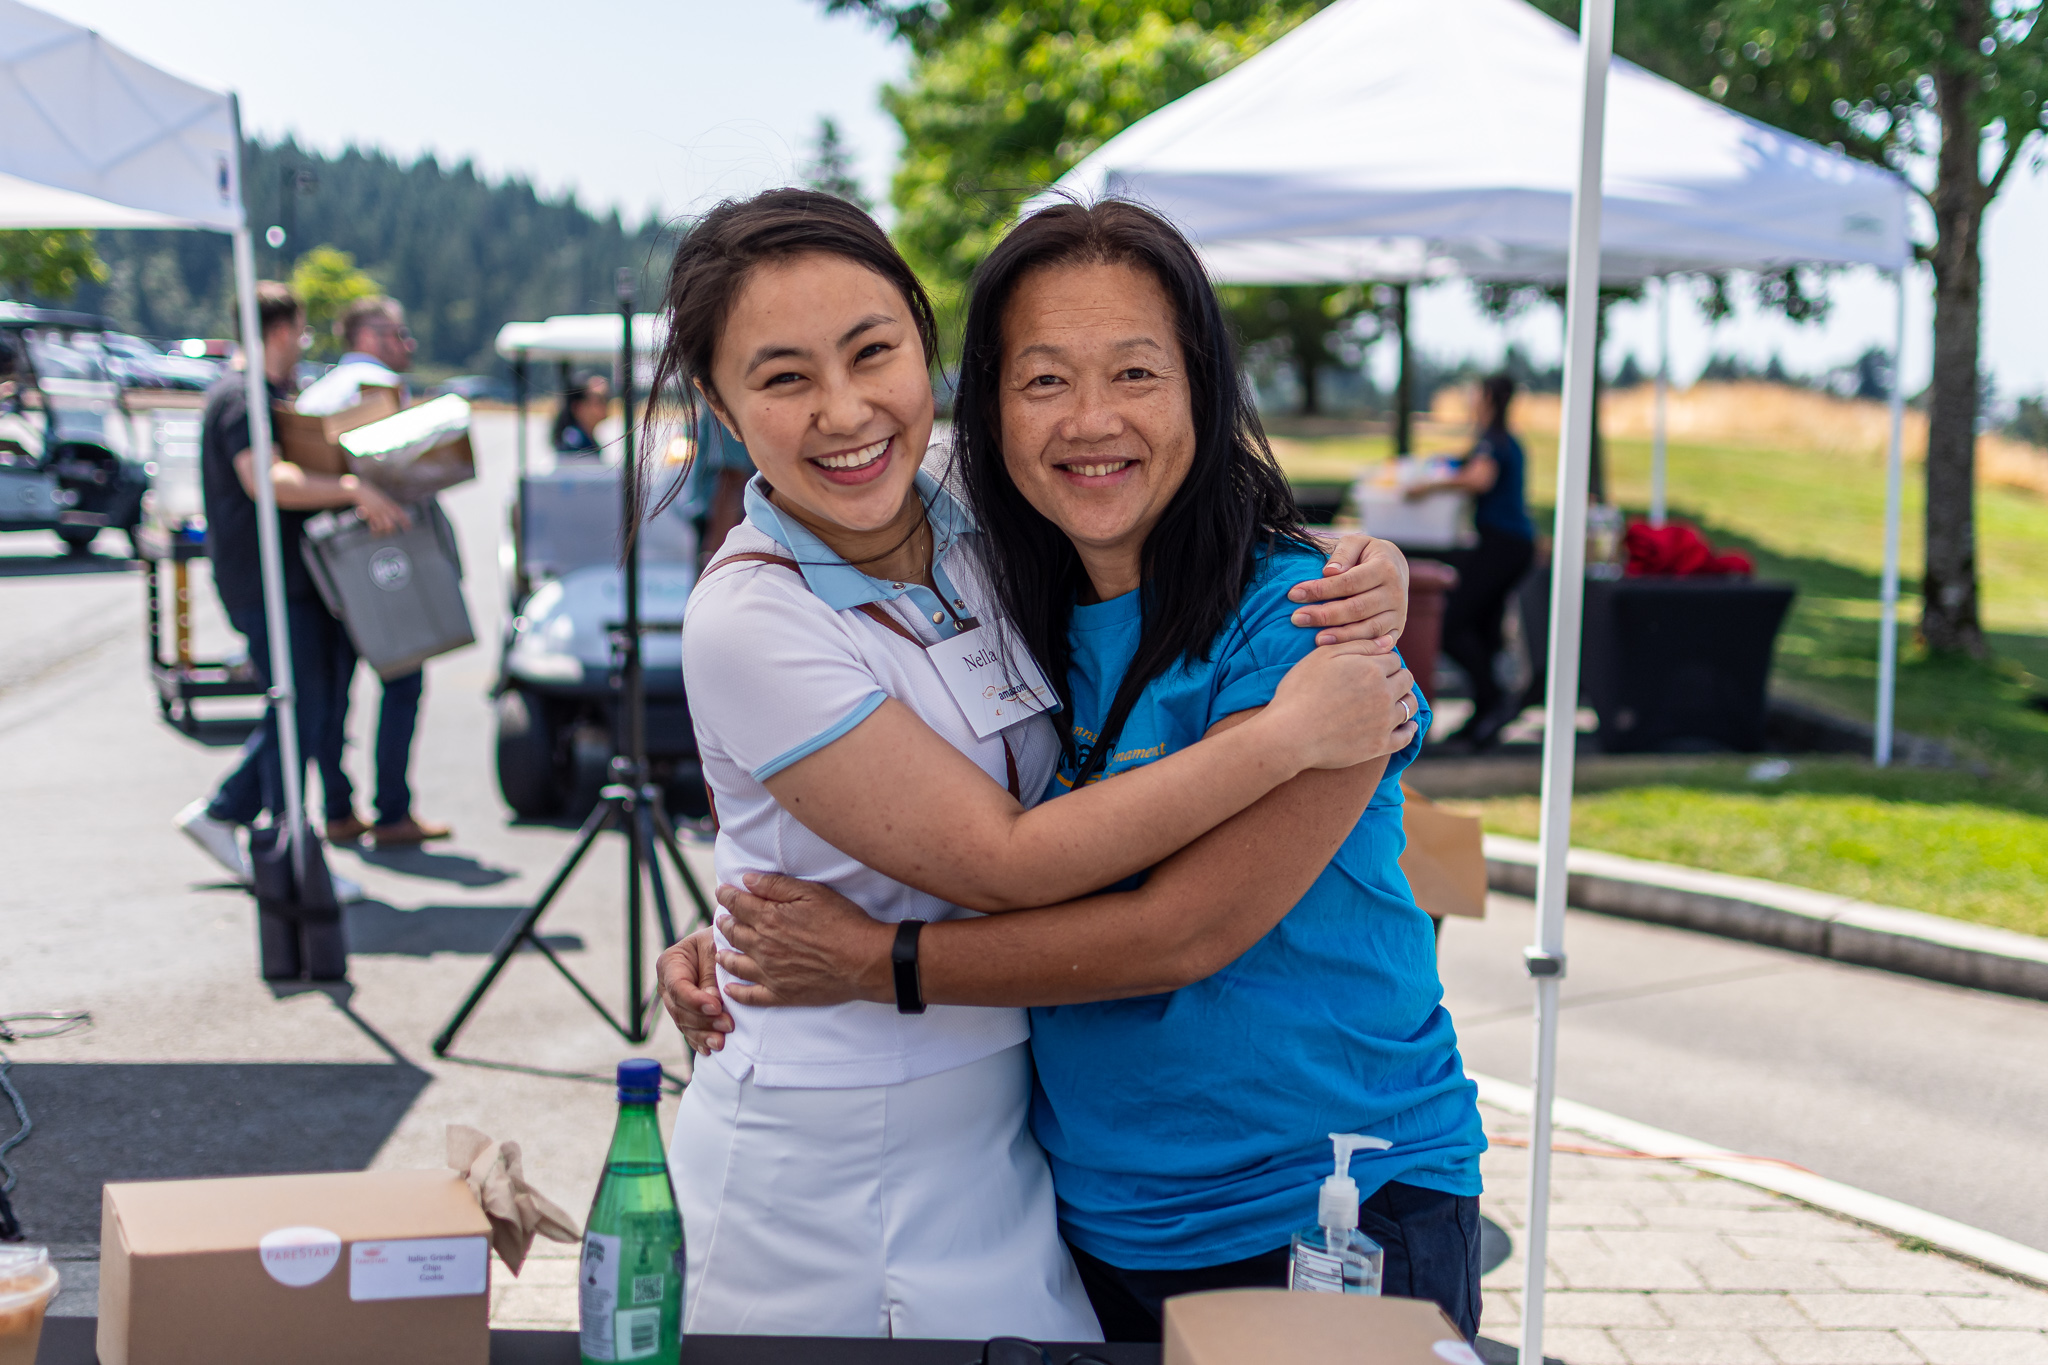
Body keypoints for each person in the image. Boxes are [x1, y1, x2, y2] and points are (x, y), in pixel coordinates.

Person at [663, 198, 1487, 1344]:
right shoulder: (1005, 559)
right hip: (1083, 1212)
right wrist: (759, 918)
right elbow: (990, 851)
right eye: (1043, 380)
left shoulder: (1300, 624)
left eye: (1137, 373)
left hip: (1324, 1209)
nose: (1087, 420)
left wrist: (875, 958)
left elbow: (1184, 933)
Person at [173, 282, 406, 897]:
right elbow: (267, 481)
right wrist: (355, 491)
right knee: (299, 706)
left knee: (314, 708)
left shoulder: (274, 393)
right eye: (301, 332)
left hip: (295, 583)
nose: (304, 343)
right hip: (263, 583)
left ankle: (237, 818)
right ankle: (263, 834)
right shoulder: (240, 396)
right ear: (281, 331)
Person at [294, 295, 452, 848]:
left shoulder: (315, 391)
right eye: (399, 334)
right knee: (402, 677)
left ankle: (337, 807)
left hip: (328, 558)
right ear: (370, 335)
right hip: (379, 553)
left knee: (335, 688)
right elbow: (403, 469)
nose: (407, 345)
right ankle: (391, 812)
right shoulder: (376, 390)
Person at [1404, 372, 1536, 750]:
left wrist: (1427, 486)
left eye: (1475, 395)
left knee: (1452, 620)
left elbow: (1479, 480)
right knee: (1482, 625)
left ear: (1489, 399)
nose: (1470, 401)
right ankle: (1487, 710)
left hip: (1504, 545)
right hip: (1507, 545)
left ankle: (1494, 699)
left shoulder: (1493, 441)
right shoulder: (1502, 440)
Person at [550, 373, 610, 457]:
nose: (605, 405)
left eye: (607, 399)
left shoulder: (585, 439)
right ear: (578, 407)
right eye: (599, 400)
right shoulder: (574, 442)